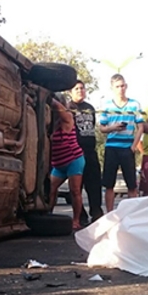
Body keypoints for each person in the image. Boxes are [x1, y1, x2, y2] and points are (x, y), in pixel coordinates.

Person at [98, 74, 144, 211]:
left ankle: (131, 214)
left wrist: (133, 146)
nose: (121, 89)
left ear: (126, 86)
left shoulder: (134, 104)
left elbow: (140, 127)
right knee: (109, 185)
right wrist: (113, 128)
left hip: (127, 148)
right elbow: (102, 128)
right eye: (117, 86)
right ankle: (110, 213)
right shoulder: (106, 105)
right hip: (111, 147)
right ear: (112, 88)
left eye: (123, 86)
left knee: (132, 185)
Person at [48, 97, 85, 230]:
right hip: (58, 164)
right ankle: (48, 215)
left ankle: (76, 220)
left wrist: (48, 98)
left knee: (75, 190)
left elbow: (58, 107)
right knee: (51, 190)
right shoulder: (51, 124)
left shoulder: (68, 117)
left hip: (73, 160)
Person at [69, 80, 104, 225]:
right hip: (75, 152)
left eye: (82, 88)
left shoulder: (90, 107)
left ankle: (96, 212)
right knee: (76, 187)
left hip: (90, 151)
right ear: (70, 92)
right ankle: (80, 215)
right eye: (76, 89)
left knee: (94, 184)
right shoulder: (68, 107)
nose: (80, 91)